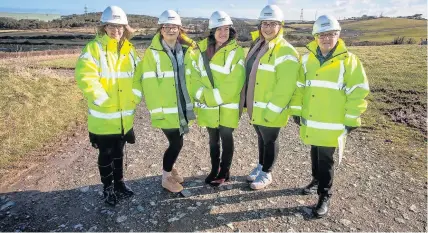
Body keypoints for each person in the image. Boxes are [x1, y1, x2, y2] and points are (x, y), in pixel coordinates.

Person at [290, 15, 370, 218]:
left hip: (332, 122)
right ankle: (316, 180)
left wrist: (352, 118)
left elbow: (358, 91)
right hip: (312, 118)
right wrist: (297, 110)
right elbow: (299, 87)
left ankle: (324, 195)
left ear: (338, 35)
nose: (327, 39)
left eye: (331, 34)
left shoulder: (349, 61)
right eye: (322, 35)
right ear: (315, 36)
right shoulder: (307, 59)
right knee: (314, 150)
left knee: (326, 159)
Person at [75, 6, 141, 206]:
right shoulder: (94, 48)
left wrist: (135, 97)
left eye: (120, 26)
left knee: (119, 151)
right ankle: (107, 188)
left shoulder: (129, 50)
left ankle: (119, 183)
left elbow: (138, 77)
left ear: (125, 28)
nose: (116, 30)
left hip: (123, 116)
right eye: (112, 26)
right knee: (105, 153)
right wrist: (102, 100)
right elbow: (86, 77)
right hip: (104, 115)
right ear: (104, 27)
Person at [134, 10, 196, 193]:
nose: (170, 30)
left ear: (180, 30)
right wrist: (157, 111)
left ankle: (169, 168)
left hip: (181, 107)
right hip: (165, 110)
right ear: (160, 30)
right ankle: (165, 177)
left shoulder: (184, 50)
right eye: (166, 27)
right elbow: (150, 86)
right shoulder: (152, 54)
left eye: (174, 27)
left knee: (178, 141)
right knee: (176, 143)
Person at [241, 5, 300, 190]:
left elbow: (286, 86)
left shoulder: (286, 51)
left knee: (270, 139)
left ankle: (267, 172)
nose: (267, 28)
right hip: (257, 105)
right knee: (261, 137)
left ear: (280, 26)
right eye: (264, 23)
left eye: (272, 24)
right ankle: (261, 165)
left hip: (272, 107)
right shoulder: (259, 45)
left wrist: (273, 110)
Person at [187, 11, 245, 186]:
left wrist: (210, 98)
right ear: (212, 30)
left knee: (226, 137)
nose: (223, 33)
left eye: (226, 29)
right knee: (213, 140)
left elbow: (235, 82)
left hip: (226, 105)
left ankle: (224, 171)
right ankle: (214, 169)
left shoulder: (237, 52)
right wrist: (202, 96)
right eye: (219, 29)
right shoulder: (199, 50)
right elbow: (192, 76)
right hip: (208, 105)